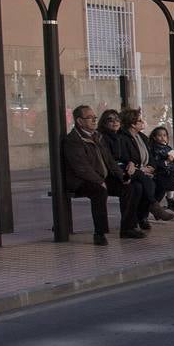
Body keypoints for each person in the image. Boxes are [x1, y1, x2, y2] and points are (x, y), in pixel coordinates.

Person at [62, 105, 125, 244]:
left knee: (129, 186)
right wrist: (99, 180)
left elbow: (109, 160)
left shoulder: (98, 136)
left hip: (101, 177)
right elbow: (81, 167)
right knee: (99, 192)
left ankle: (129, 227)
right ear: (79, 121)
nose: (94, 120)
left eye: (95, 117)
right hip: (80, 181)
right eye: (90, 118)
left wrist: (122, 176)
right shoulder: (73, 139)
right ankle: (100, 233)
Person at [117, 108, 174, 227]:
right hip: (133, 171)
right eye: (139, 120)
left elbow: (151, 156)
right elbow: (125, 157)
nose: (142, 122)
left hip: (146, 170)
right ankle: (150, 210)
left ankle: (147, 213)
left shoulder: (142, 137)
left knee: (162, 183)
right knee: (141, 186)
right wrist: (140, 168)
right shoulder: (123, 137)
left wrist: (151, 167)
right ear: (132, 124)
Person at [97, 108, 145, 239]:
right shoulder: (102, 138)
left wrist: (131, 163)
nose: (115, 122)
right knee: (131, 187)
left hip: (121, 172)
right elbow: (109, 162)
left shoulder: (120, 137)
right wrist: (123, 175)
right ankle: (128, 227)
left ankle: (131, 224)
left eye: (117, 119)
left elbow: (128, 156)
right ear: (103, 122)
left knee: (138, 187)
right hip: (108, 177)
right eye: (110, 120)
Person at [147, 125, 174, 220]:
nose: (162, 137)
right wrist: (167, 161)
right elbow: (156, 162)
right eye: (160, 135)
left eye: (164, 135)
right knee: (170, 187)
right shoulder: (155, 148)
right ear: (154, 137)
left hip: (171, 172)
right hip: (163, 173)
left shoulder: (167, 147)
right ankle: (171, 202)